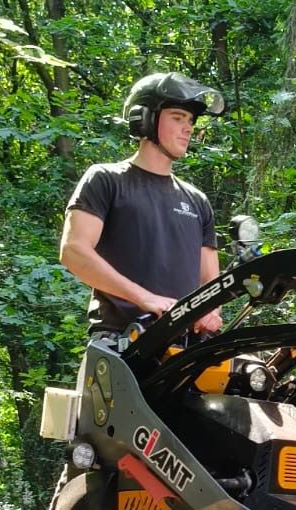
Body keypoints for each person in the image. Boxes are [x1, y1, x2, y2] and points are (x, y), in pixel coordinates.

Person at [60, 72, 227, 336]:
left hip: (186, 351)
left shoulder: (197, 201)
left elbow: (211, 281)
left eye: (191, 120)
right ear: (145, 120)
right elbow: (73, 251)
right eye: (178, 117)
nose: (188, 128)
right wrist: (144, 298)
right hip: (121, 342)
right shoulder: (106, 179)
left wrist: (211, 311)